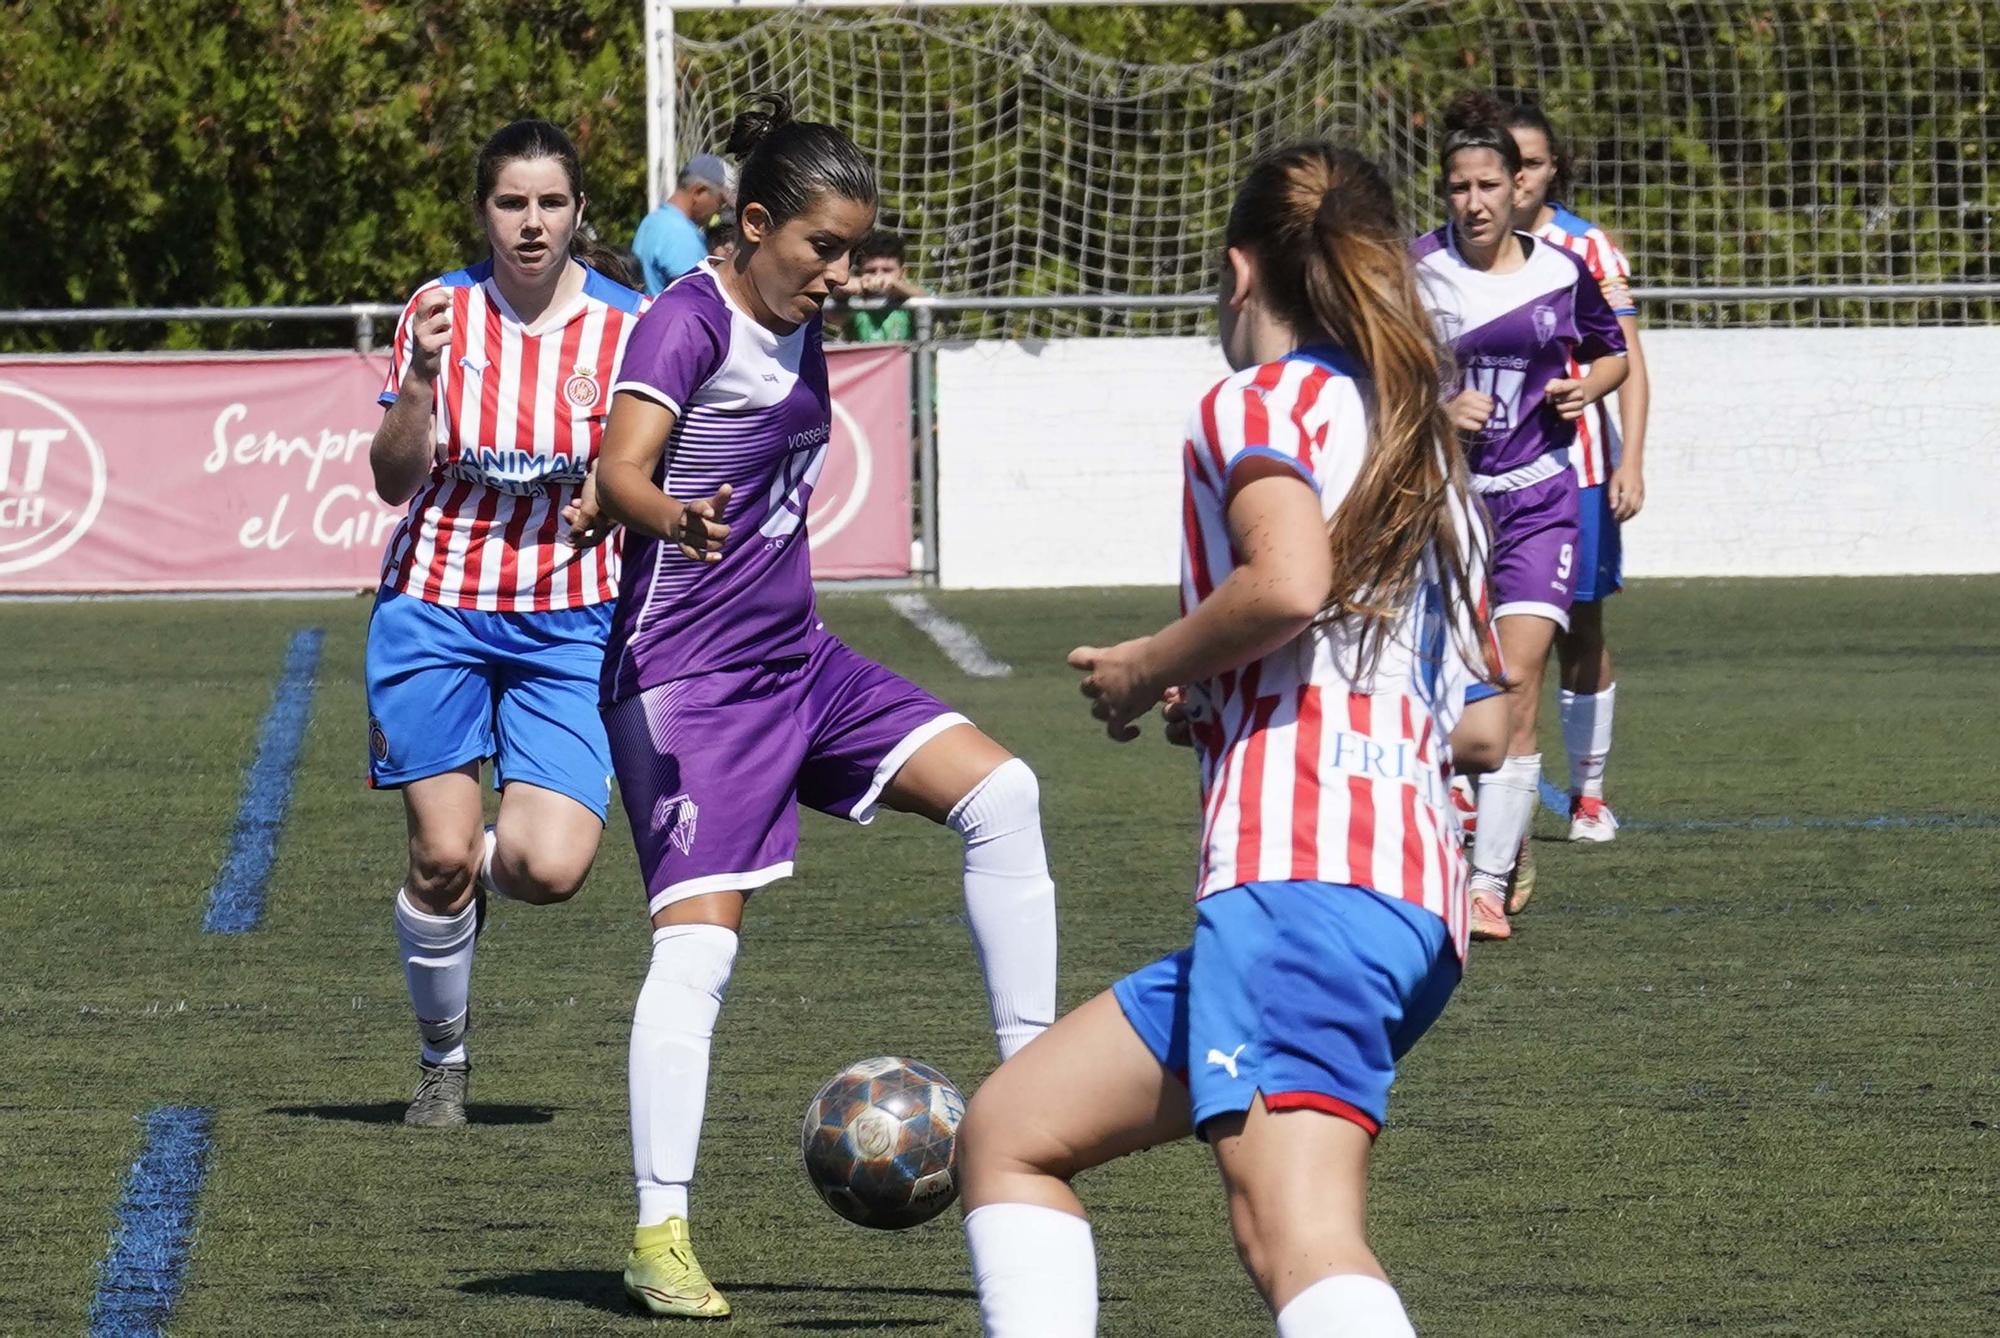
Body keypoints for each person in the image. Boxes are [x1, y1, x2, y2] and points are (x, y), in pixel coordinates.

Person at [955, 141, 1504, 1338]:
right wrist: (1227, 695)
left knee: (1293, 1232)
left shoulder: (1265, 403)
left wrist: (1147, 667)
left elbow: (1289, 581)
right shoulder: (1425, 453)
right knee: (1009, 1132)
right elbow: (1485, 722)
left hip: (1299, 886)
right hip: (1404, 899)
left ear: (1236, 269)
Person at [579, 93, 1059, 1320]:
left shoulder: (797, 322)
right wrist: (665, 515)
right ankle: (658, 1228)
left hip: (795, 659)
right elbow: (619, 470)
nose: (839, 275)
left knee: (1005, 794)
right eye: (820, 251)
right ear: (749, 226)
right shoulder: (684, 323)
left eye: (852, 251)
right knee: (697, 948)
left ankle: (1043, 1106)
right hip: (687, 681)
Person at [366, 120, 647, 1126]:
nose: (531, 225)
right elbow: (394, 478)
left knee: (550, 867)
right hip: (434, 608)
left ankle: (464, 880)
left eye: (550, 204)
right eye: (510, 204)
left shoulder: (627, 328)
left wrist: (611, 501)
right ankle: (444, 1062)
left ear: (577, 211)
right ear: (482, 212)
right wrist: (420, 383)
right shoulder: (437, 313)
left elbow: (648, 474)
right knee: (441, 858)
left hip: (571, 623)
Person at [1414, 92, 1628, 939]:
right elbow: (1371, 370)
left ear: (1517, 191)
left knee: (1516, 682)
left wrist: (1588, 386)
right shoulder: (1412, 271)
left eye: (1489, 185)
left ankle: (1487, 885)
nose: (1473, 202)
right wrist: (1435, 403)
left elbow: (1612, 350)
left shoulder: (1559, 272)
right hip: (1445, 507)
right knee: (1442, 689)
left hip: (1540, 498)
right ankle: (1443, 840)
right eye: (1459, 186)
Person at [1505, 96, 1650, 844]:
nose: (1518, 178)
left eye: (1531, 163)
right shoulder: (1456, 251)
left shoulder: (1586, 247)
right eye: (1508, 164)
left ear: (1552, 167)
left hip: (1581, 472)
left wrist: (1633, 460)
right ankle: (1480, 790)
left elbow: (1628, 359)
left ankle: (1588, 793)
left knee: (1580, 628)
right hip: (1489, 478)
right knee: (1483, 630)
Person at [631, 153, 736, 295]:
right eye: (720, 202)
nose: (717, 211)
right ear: (699, 191)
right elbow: (695, 299)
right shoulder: (680, 234)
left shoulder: (654, 220)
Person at [831, 228, 922, 342]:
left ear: (903, 272)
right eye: (871, 271)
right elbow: (834, 317)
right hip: (867, 359)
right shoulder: (854, 299)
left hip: (907, 359)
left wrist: (896, 285)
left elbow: (931, 302)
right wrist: (843, 290)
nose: (879, 276)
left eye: (887, 270)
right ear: (860, 273)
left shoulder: (910, 295)